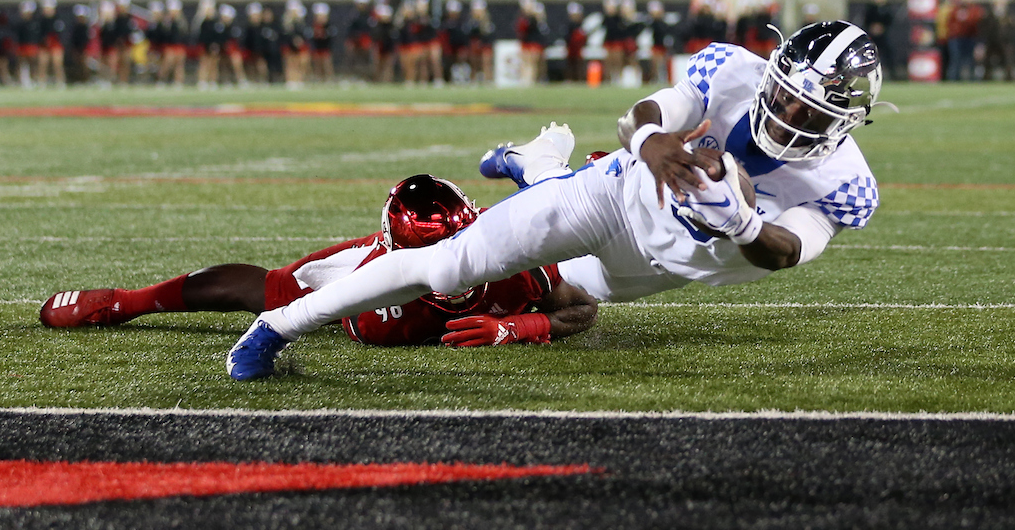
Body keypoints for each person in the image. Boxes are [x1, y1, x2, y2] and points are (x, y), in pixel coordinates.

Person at [228, 21, 890, 380]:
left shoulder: (846, 185)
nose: (787, 109)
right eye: (784, 90)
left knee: (571, 300)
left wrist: (742, 221)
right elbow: (646, 114)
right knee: (448, 266)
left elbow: (787, 252)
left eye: (809, 105)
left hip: (638, 272)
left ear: (845, 119)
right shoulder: (732, 70)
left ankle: (532, 161)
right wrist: (654, 143)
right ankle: (276, 326)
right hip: (608, 198)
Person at [41, 174, 597, 359]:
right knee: (269, 291)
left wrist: (519, 326)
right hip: (360, 290)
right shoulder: (372, 289)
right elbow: (262, 291)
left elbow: (584, 308)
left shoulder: (513, 263)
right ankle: (127, 301)